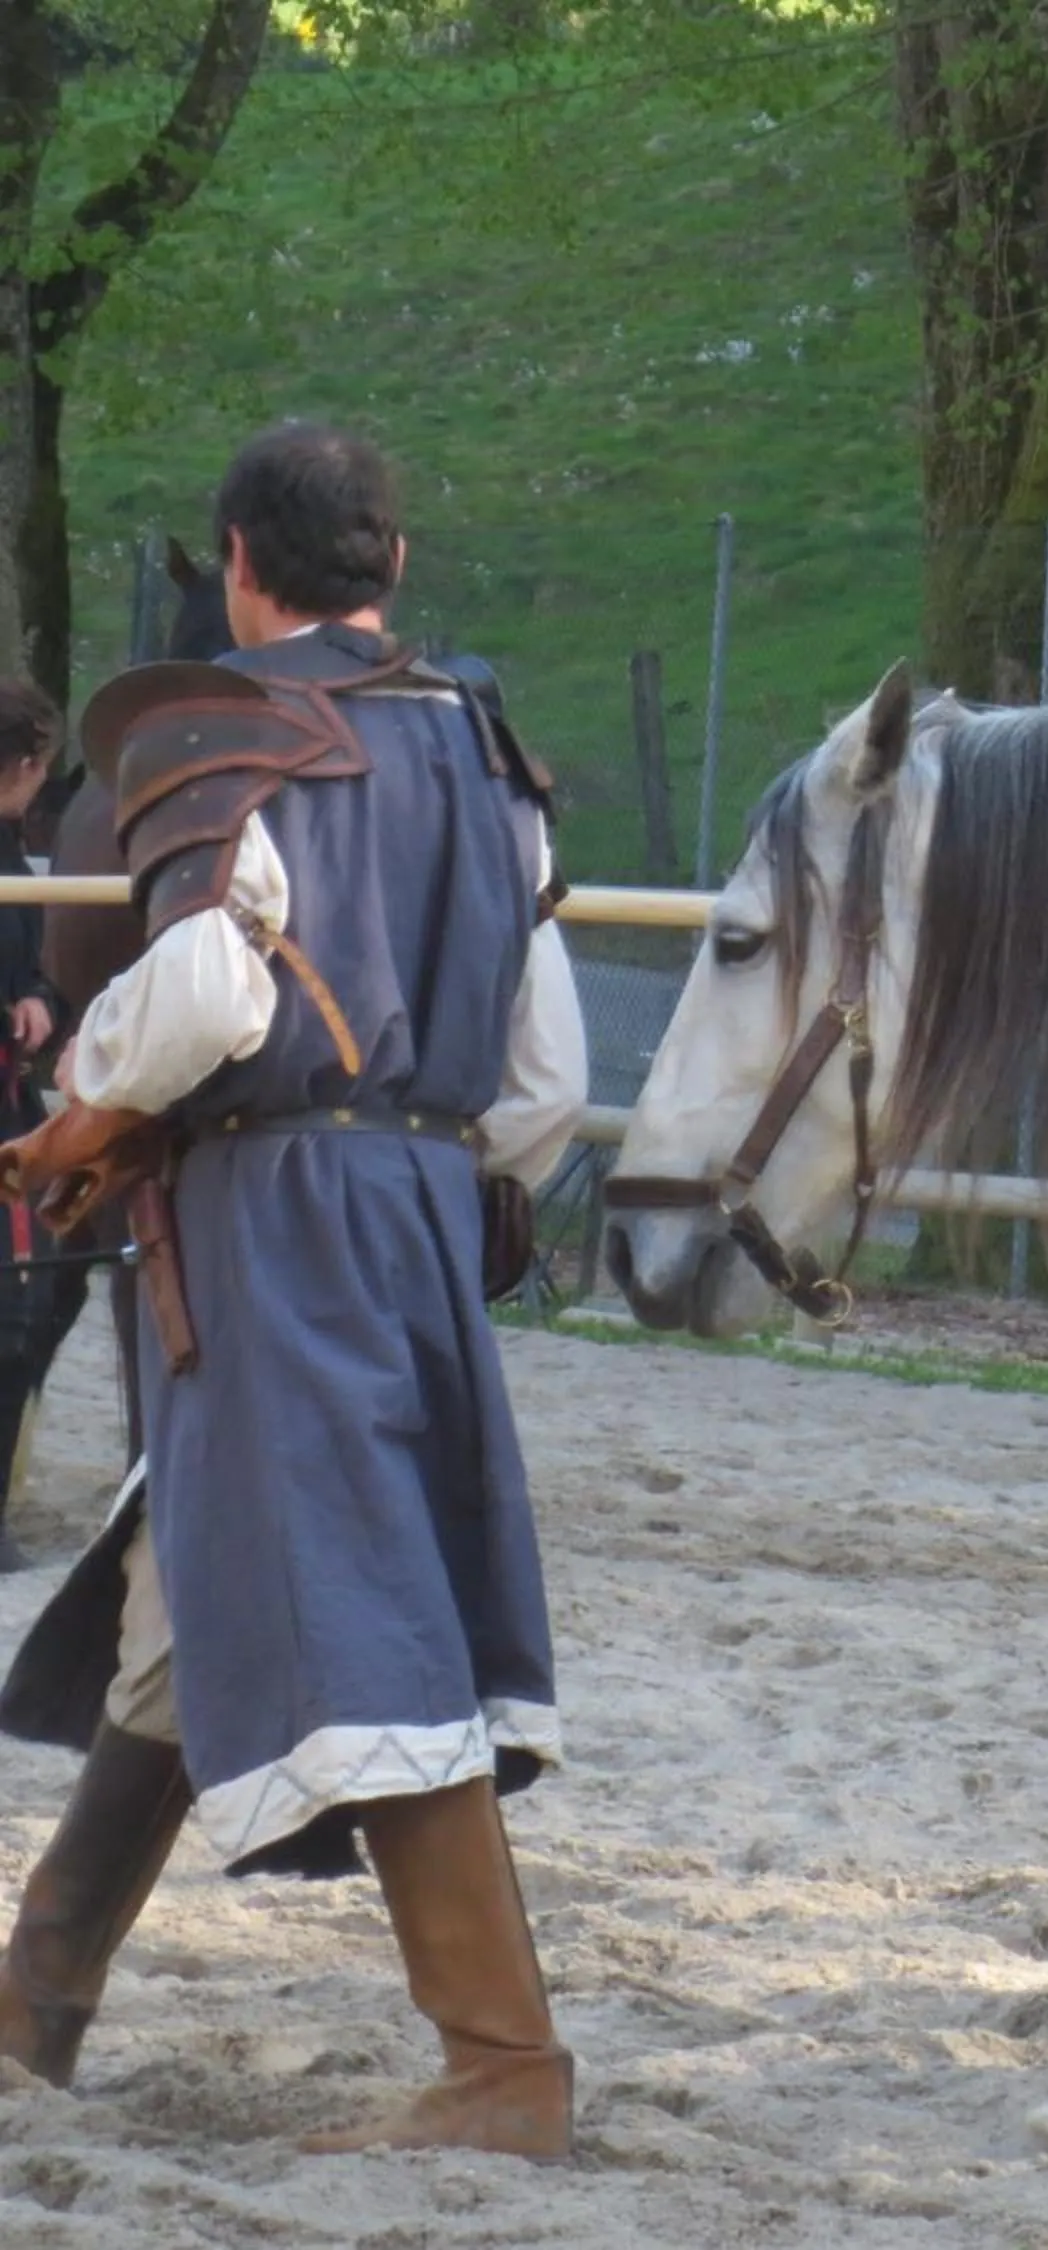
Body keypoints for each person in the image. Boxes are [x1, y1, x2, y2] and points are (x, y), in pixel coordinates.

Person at [0, 420, 589, 2156]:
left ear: (237, 562)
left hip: (277, 1207)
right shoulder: (486, 752)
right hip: (419, 1203)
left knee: (356, 1605)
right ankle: (33, 2001)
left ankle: (502, 2072)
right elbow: (545, 1081)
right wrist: (428, 1176)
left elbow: (200, 995)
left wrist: (73, 1129)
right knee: (203, 1590)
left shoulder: (229, 735)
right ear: (389, 566)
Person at [0, 684, 92, 1572]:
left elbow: (31, 973)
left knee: (42, 1287)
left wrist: (36, 998)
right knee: (16, 1301)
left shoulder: (17, 868)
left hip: (9, 1100)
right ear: (27, 768)